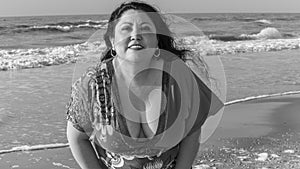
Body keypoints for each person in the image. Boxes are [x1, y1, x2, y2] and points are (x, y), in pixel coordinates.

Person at [66, 1, 224, 169]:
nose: (135, 35)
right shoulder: (92, 86)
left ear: (157, 40)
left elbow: (192, 130)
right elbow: (77, 138)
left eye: (146, 28)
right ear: (112, 41)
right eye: (126, 28)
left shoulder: (179, 77)